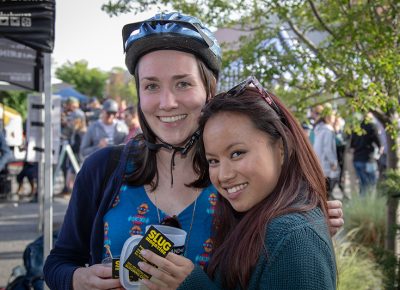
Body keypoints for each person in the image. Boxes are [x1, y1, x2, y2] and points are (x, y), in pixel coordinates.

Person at [43, 12, 343, 290]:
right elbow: (58, 261)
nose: (167, 102)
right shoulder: (103, 168)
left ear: (209, 91)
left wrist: (305, 221)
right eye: (151, 86)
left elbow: (285, 247)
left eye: (183, 83)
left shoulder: (238, 180)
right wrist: (76, 278)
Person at [136, 77, 337, 290]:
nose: (223, 175)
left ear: (281, 148)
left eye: (237, 153)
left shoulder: (295, 241)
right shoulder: (263, 220)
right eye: (213, 161)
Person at [350, 112, 382, 196]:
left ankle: (362, 205)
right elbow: (379, 144)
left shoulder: (357, 127)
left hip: (357, 159)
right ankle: (368, 205)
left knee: (363, 185)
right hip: (368, 160)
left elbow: (351, 146)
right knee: (371, 185)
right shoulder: (372, 126)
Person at [313, 104, 340, 199]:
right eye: (333, 116)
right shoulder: (328, 130)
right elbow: (328, 149)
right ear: (329, 117)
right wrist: (333, 162)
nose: (335, 118)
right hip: (326, 164)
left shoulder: (319, 128)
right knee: (326, 194)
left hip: (319, 162)